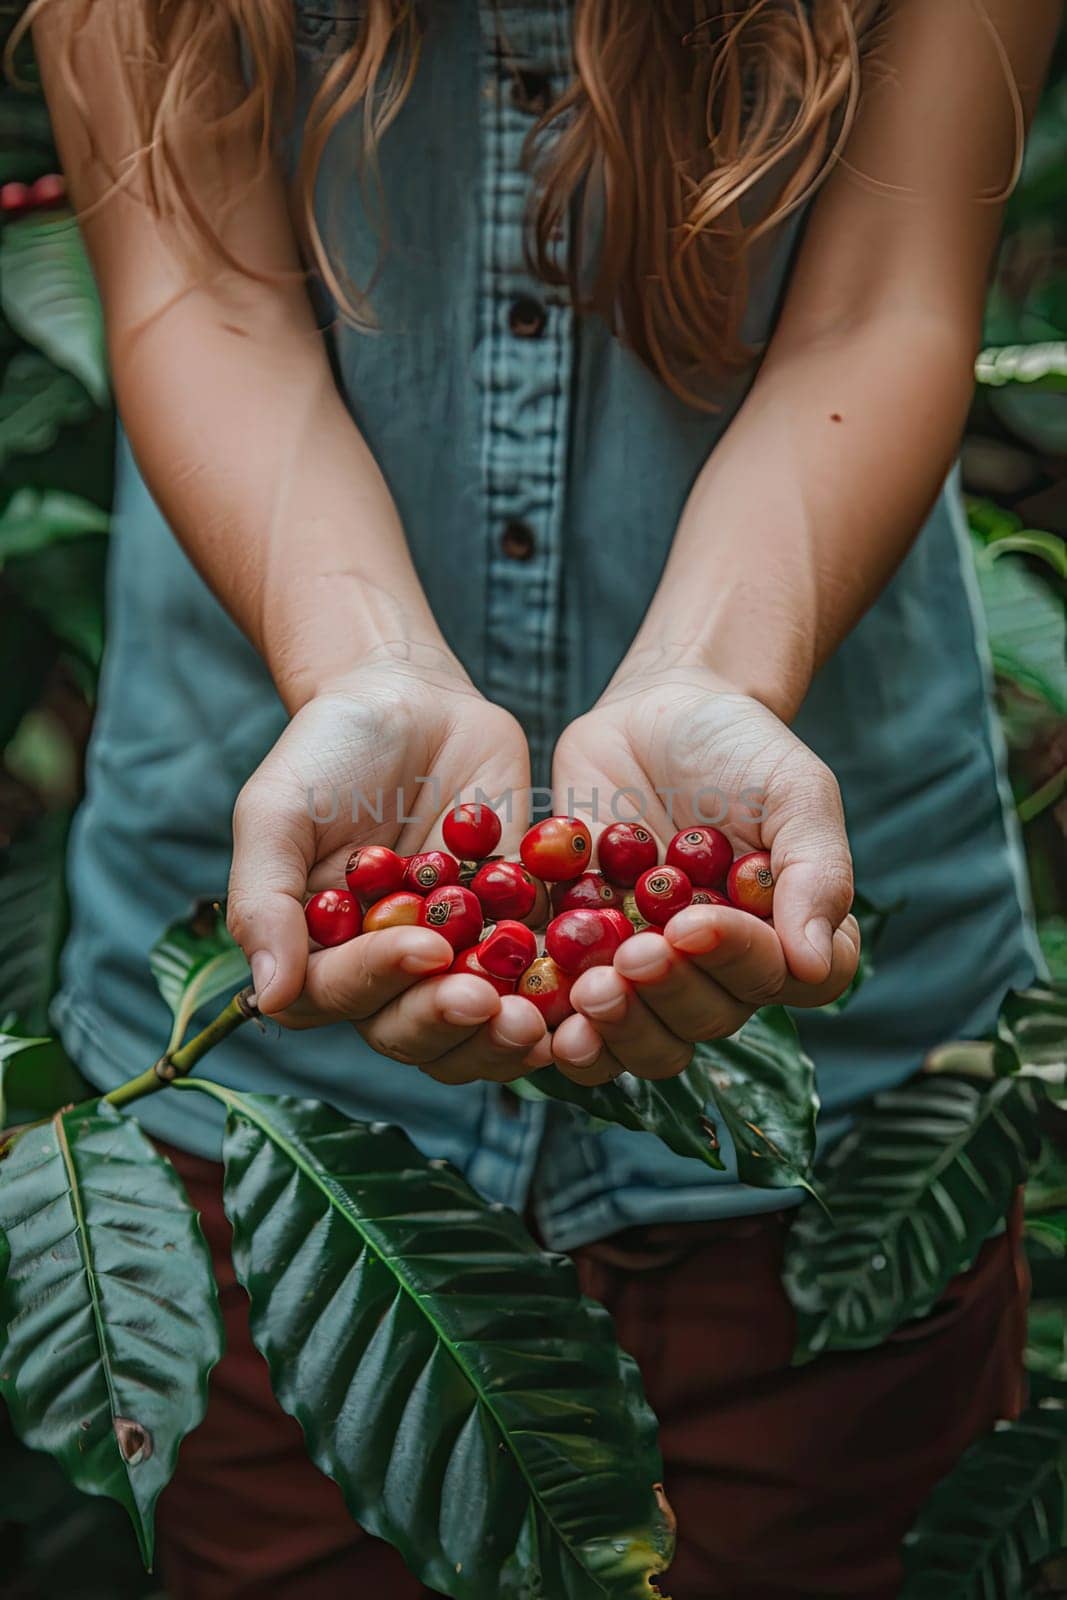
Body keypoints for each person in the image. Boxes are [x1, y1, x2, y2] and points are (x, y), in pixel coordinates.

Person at [26, 1, 1056, 1595]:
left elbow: (885, 304)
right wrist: (361, 661)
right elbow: (194, 292)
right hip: (267, 1101)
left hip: (832, 1096)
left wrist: (712, 675)